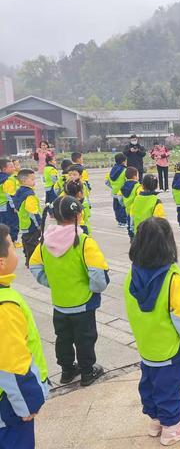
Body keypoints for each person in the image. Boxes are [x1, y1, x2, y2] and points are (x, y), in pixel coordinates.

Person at [125, 217, 180, 445]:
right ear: (168, 244)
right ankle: (172, 427)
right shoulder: (173, 279)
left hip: (146, 346)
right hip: (169, 350)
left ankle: (155, 421)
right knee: (169, 387)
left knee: (149, 384)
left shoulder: (131, 276)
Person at [29, 196, 109, 387]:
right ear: (79, 215)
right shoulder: (83, 241)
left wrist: (53, 283)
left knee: (62, 337)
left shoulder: (45, 241)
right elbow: (98, 275)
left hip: (60, 302)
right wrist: (93, 289)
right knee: (85, 338)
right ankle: (87, 372)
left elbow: (34, 266)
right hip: (83, 302)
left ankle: (67, 370)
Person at [0, 224, 49, 448]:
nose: (15, 250)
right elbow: (12, 365)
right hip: (10, 402)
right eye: (11, 246)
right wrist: (28, 403)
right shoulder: (5, 305)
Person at [13, 169, 41, 267]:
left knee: (26, 241)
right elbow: (33, 212)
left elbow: (15, 206)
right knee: (33, 243)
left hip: (23, 223)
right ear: (24, 181)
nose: (34, 181)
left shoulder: (19, 191)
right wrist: (39, 224)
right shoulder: (29, 195)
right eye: (32, 179)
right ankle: (32, 261)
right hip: (31, 224)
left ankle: (28, 260)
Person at [105, 153, 128, 227]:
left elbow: (107, 182)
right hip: (122, 193)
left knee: (116, 207)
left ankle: (119, 221)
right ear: (124, 161)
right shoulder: (125, 170)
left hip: (114, 192)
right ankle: (124, 221)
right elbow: (127, 181)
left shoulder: (112, 170)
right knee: (123, 207)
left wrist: (113, 187)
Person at [119, 167, 142, 242]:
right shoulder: (138, 186)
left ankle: (131, 237)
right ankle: (137, 237)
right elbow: (140, 196)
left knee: (129, 223)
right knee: (136, 224)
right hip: (136, 209)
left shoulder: (123, 186)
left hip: (128, 209)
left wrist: (123, 204)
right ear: (135, 177)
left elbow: (119, 197)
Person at [8, 159, 21, 248]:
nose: (18, 166)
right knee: (13, 222)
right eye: (16, 165)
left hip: (15, 201)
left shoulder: (17, 176)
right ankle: (13, 240)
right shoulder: (12, 178)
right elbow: (11, 193)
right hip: (11, 203)